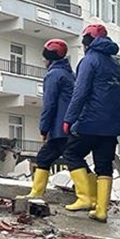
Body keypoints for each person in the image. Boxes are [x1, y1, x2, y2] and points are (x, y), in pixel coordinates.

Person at [60, 23, 120, 222]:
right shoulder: (116, 65)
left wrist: (69, 119)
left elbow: (79, 94)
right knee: (104, 165)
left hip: (89, 122)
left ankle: (85, 198)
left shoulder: (89, 61)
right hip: (111, 126)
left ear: (87, 42)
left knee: (72, 153)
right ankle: (101, 210)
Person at [18, 39, 75, 200]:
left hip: (60, 128)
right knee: (73, 159)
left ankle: (36, 193)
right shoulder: (69, 74)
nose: (43, 60)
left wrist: (44, 129)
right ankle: (91, 196)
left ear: (50, 58)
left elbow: (49, 104)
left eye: (44, 57)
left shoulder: (54, 74)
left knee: (47, 158)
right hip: (70, 126)